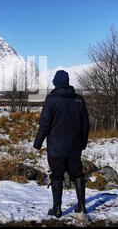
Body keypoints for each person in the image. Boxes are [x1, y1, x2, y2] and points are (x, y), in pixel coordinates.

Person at [33, 70, 90, 219]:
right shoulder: (79, 100)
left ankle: (57, 209)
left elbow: (44, 124)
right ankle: (82, 206)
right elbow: (86, 124)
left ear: (56, 83)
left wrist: (37, 143)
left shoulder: (51, 100)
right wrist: (83, 143)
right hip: (74, 147)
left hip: (56, 148)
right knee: (78, 174)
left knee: (57, 176)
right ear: (68, 82)